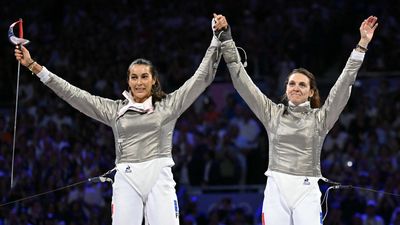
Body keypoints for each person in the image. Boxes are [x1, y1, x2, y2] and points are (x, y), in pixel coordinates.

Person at [14, 17, 223, 225]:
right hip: (126, 179)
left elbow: (200, 78)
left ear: (154, 80)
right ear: (128, 81)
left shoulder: (168, 105)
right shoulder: (115, 110)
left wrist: (216, 39)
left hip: (159, 178)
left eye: (144, 77)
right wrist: (33, 66)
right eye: (134, 77)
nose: (139, 82)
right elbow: (74, 95)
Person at [213, 15, 378, 225]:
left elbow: (343, 84)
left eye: (302, 85)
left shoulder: (320, 118)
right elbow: (241, 81)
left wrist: (362, 45)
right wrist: (226, 38)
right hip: (275, 191)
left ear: (311, 92)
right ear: (286, 89)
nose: (296, 88)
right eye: (292, 84)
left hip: (306, 193)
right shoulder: (272, 113)